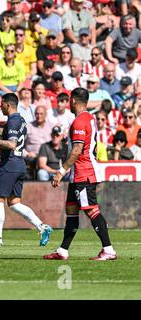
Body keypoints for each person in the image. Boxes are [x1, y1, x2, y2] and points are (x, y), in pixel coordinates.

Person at [0, 93, 53, 248]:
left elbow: (11, 144)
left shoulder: (13, 121)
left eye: (1, 104)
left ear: (7, 105)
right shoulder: (19, 120)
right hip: (19, 164)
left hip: (9, 165)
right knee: (14, 203)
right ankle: (42, 227)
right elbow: (6, 133)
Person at [44, 87, 117, 261]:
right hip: (78, 174)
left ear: (73, 101)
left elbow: (77, 150)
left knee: (91, 210)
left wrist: (61, 171)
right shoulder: (88, 119)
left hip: (84, 172)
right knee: (71, 211)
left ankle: (108, 250)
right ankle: (63, 250)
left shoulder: (79, 122)